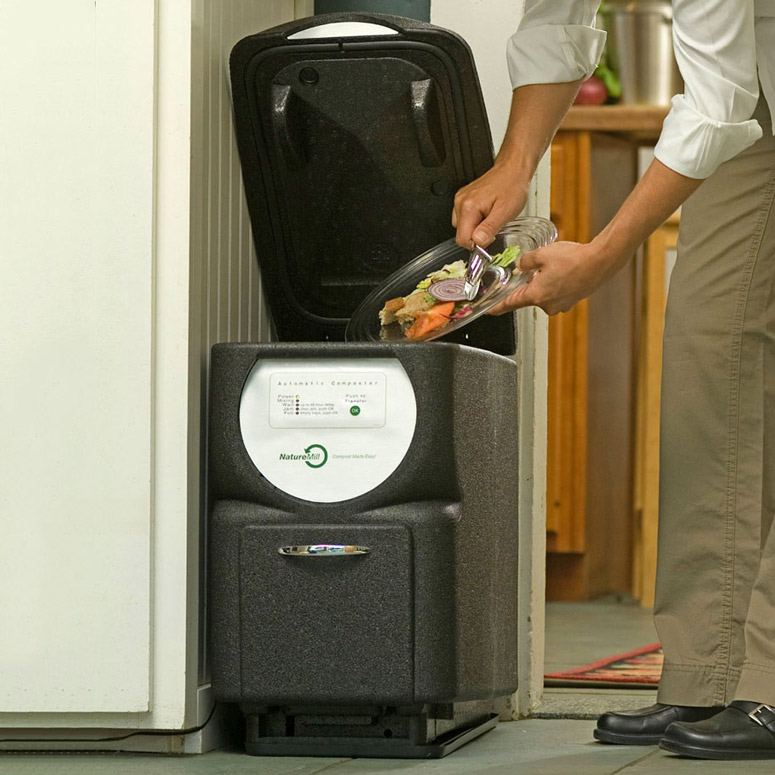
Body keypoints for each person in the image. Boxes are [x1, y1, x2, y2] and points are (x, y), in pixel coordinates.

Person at [452, 0, 775, 761]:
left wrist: (602, 252)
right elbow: (556, 23)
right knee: (709, 350)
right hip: (756, 75)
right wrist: (514, 166)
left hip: (737, 85)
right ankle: (706, 668)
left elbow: (714, 99)